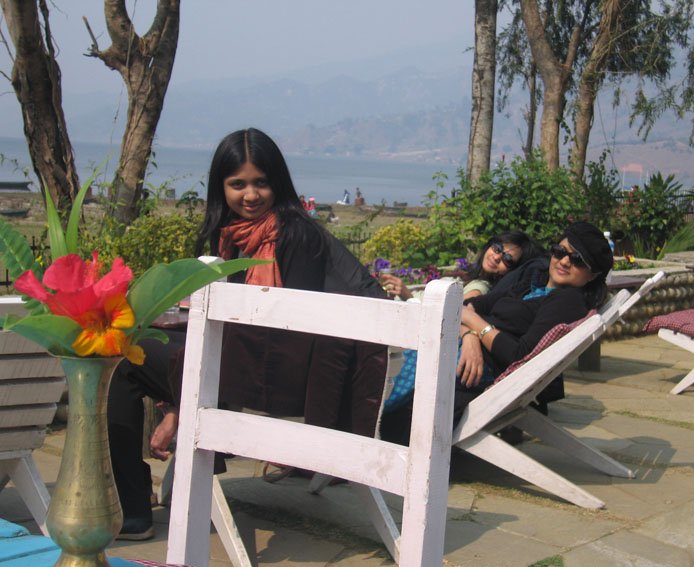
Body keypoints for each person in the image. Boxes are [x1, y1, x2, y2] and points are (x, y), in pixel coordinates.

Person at [108, 128, 388, 540]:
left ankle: (133, 510)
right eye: (237, 184)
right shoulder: (236, 236)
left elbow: (288, 333)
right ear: (221, 188)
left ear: (278, 184)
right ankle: (170, 479)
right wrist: (179, 398)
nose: (250, 195)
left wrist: (184, 397)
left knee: (122, 361)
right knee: (161, 352)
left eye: (261, 183)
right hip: (254, 368)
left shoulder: (293, 236)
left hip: (279, 381)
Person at [381, 221, 614, 444]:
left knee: (390, 370)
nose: (564, 261)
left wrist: (476, 326)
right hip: (464, 346)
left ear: (592, 274)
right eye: (559, 251)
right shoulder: (534, 284)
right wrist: (469, 334)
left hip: (478, 367)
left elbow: (520, 355)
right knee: (389, 360)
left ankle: (366, 420)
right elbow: (476, 305)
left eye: (577, 260)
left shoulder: (567, 301)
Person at [379, 231, 540, 302]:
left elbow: (452, 316)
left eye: (507, 259)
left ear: (512, 270)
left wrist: (407, 294)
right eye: (497, 248)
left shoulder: (480, 288)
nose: (497, 257)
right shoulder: (471, 276)